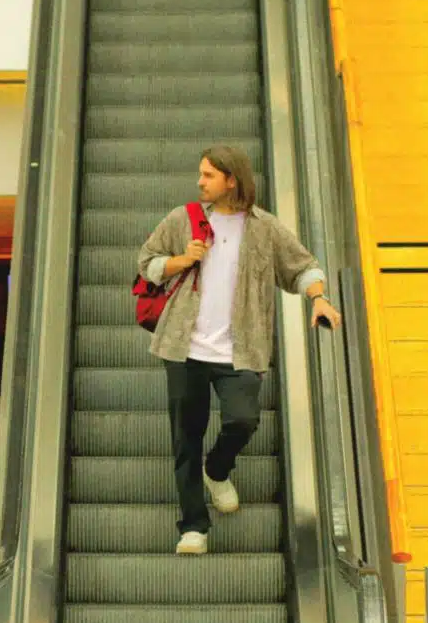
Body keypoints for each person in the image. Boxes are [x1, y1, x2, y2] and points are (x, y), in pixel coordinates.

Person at [136, 144, 341, 555]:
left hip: (240, 350)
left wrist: (318, 298)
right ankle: (194, 527)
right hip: (184, 348)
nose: (200, 182)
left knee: (244, 420)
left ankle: (217, 470)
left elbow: (302, 267)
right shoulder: (183, 219)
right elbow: (148, 263)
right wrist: (182, 260)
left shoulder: (265, 228)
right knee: (186, 439)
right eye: (201, 174)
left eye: (208, 175)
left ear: (232, 180)